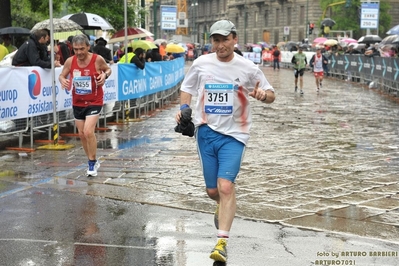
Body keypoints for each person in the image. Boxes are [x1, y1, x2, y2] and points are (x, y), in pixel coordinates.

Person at [174, 19, 275, 263]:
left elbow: (271, 94)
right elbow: (186, 88)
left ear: (234, 39)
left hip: (235, 134)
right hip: (206, 132)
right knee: (212, 191)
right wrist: (184, 107)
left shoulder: (248, 68)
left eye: (225, 39)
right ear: (212, 42)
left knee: (226, 186)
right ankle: (222, 204)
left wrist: (262, 95)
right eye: (216, 40)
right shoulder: (200, 63)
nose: (220, 45)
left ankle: (222, 242)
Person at [58, 34, 112, 177]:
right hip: (78, 101)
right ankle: (91, 158)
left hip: (94, 100)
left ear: (88, 47)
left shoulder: (97, 59)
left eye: (82, 49)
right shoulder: (70, 61)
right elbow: (62, 75)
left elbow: (108, 69)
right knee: (81, 134)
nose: (79, 52)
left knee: (88, 131)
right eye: (76, 49)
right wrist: (62, 80)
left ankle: (92, 163)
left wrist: (104, 76)